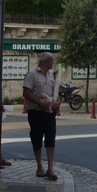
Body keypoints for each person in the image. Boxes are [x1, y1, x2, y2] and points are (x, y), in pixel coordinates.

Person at [22, 52, 61, 180]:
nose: (53, 63)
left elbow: (54, 93)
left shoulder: (51, 76)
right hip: (36, 112)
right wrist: (39, 103)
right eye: (51, 61)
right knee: (37, 139)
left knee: (51, 139)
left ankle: (50, 168)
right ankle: (39, 166)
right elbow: (26, 93)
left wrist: (57, 103)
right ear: (46, 61)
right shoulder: (32, 74)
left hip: (49, 112)